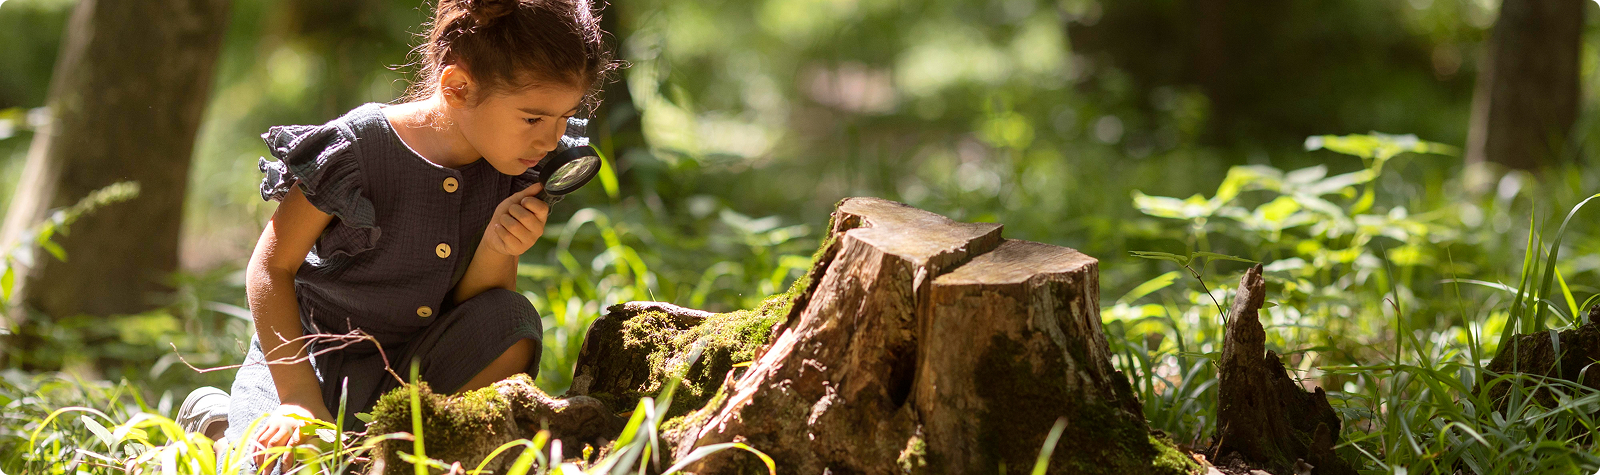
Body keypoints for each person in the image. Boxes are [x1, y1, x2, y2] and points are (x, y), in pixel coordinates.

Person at [175, 0, 620, 471]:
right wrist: (299, 400)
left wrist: (497, 246)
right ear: (457, 86)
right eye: (533, 119)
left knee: (510, 320)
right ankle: (220, 426)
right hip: (310, 364)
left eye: (564, 118)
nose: (551, 140)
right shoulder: (357, 149)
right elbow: (270, 267)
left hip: (414, 370)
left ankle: (391, 450)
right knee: (290, 461)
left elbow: (477, 310)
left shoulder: (514, 165)